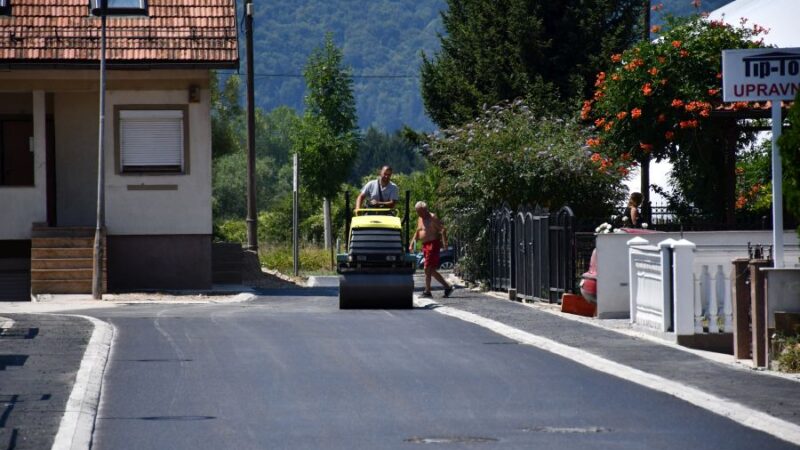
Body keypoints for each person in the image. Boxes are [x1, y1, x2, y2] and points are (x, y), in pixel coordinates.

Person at [409, 201, 454, 298]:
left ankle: (427, 291)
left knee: (427, 268)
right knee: (431, 270)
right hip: (425, 245)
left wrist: (444, 243)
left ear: (425, 210)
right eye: (417, 212)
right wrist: (412, 244)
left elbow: (442, 229)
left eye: (420, 212)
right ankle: (447, 287)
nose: (419, 214)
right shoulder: (420, 218)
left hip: (433, 244)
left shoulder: (432, 217)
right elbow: (418, 231)